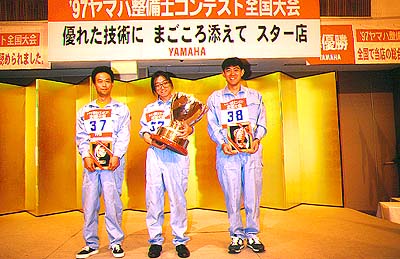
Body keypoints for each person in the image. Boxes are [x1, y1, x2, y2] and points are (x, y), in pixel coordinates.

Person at [206, 57, 267, 254]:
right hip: (228, 154)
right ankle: (236, 236)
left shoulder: (255, 96)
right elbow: (212, 125)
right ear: (223, 74)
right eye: (228, 70)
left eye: (236, 70)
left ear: (242, 72)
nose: (232, 74)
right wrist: (222, 143)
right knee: (232, 196)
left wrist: (256, 140)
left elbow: (262, 122)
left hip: (251, 154)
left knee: (252, 195)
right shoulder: (215, 98)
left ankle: (252, 234)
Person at [76, 66, 131, 259]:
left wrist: (117, 155)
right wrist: (85, 156)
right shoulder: (84, 110)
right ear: (94, 84)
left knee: (113, 203)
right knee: (89, 204)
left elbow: (124, 135)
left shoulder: (121, 109)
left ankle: (115, 242)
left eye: (107, 80)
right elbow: (81, 136)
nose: (104, 84)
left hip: (112, 164)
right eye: (100, 81)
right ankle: (90, 243)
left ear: (112, 83)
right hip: (92, 164)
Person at [139, 71, 192, 258]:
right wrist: (151, 141)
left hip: (176, 155)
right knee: (153, 198)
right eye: (157, 85)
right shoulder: (149, 109)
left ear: (171, 84)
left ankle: (180, 240)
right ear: (154, 89)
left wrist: (189, 128)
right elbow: (144, 131)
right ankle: (155, 240)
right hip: (155, 154)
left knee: (178, 198)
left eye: (165, 83)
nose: (162, 87)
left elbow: (190, 126)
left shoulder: (182, 104)